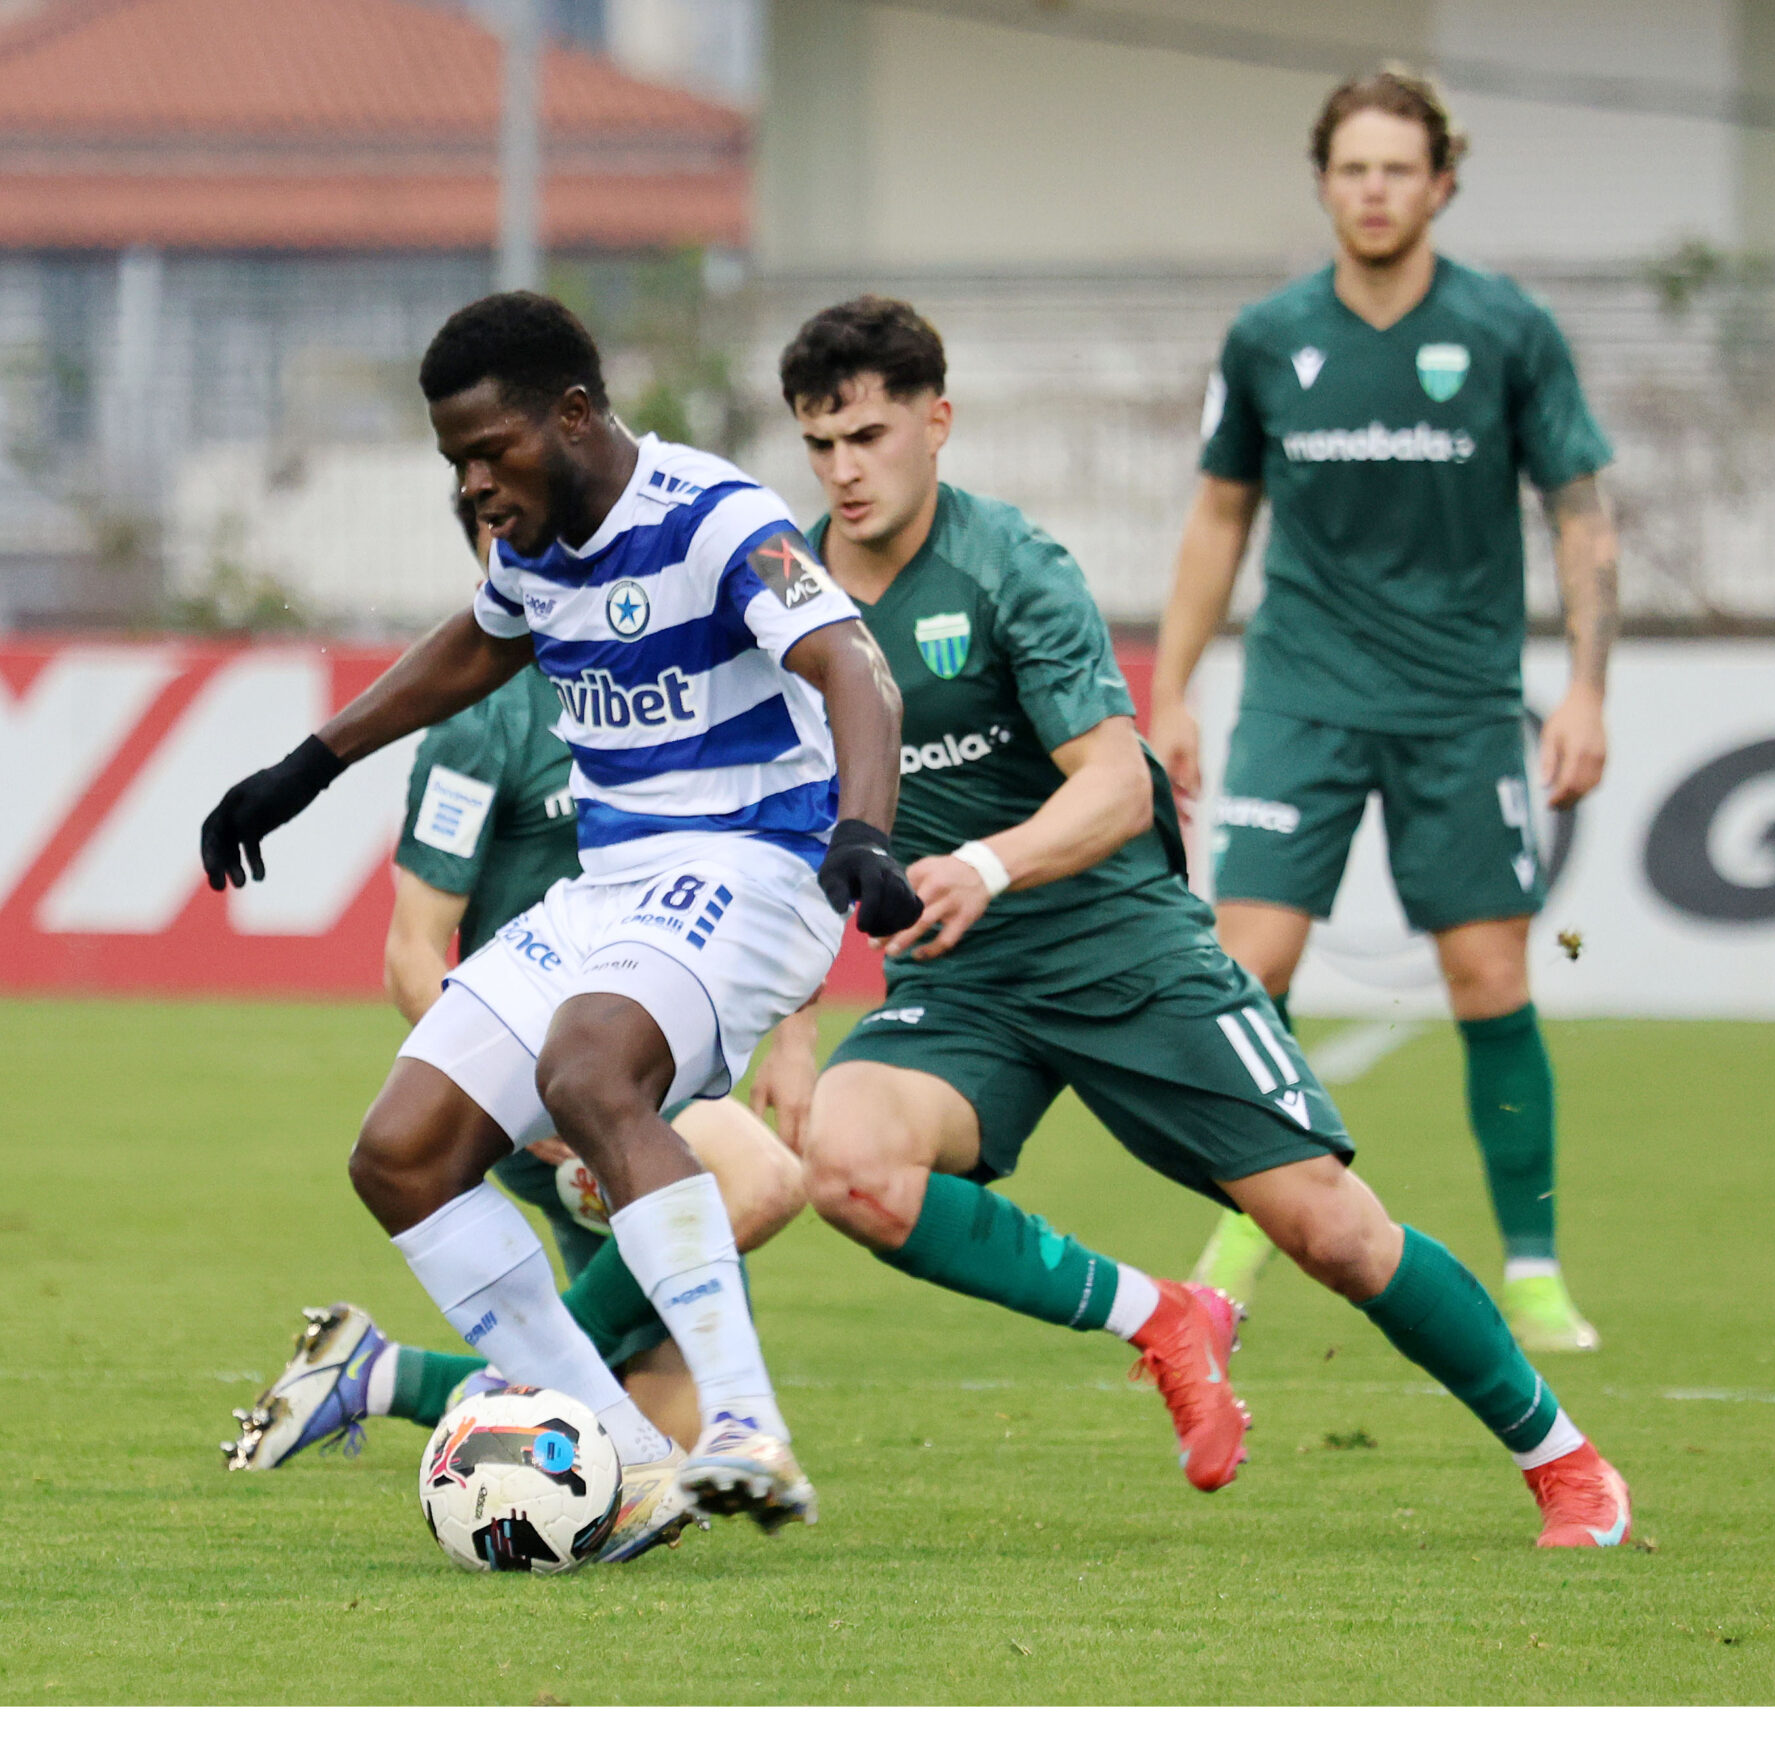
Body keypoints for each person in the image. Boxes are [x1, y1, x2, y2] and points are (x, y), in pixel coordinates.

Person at [773, 294, 1631, 1546]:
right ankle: (1162, 1315)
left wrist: (987, 866)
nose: (845, 469)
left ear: (937, 421)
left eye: (868, 435)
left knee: (1332, 1232)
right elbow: (796, 821)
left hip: (1120, 948)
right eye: (820, 443)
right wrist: (795, 1026)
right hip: (962, 985)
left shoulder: (1009, 565)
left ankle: (1566, 1461)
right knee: (847, 1162)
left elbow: (1118, 786)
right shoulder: (790, 600)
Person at [199, 291, 919, 1560]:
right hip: (613, 887)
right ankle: (630, 1462)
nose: (475, 485)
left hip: (756, 865)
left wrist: (865, 827)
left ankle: (748, 1423)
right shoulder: (532, 546)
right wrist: (308, 765)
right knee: (402, 1152)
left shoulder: (712, 516)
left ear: (573, 414)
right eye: (455, 462)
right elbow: (478, 645)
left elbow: (852, 664)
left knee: (587, 1067)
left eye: (492, 451)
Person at [1151, 69, 1621, 1354]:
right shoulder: (1268, 337)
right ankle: (1246, 1234)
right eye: (1352, 168)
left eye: (1397, 169)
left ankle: (1534, 1269)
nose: (1373, 191)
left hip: (1459, 704)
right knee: (1246, 967)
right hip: (1299, 694)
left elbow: (1579, 513)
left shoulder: (1507, 330)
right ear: (1323, 183)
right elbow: (1219, 516)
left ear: (1441, 184)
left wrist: (1586, 687)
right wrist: (1173, 689)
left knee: (1488, 975)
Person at [223, 503, 812, 1477]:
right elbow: (412, 950)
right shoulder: (481, 723)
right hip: (560, 1077)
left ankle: (384, 1374)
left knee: (660, 1446)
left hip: (654, 1033)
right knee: (761, 1179)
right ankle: (453, 1383)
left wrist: (793, 1036)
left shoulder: (667, 679)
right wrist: (531, 1090)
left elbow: (750, 857)